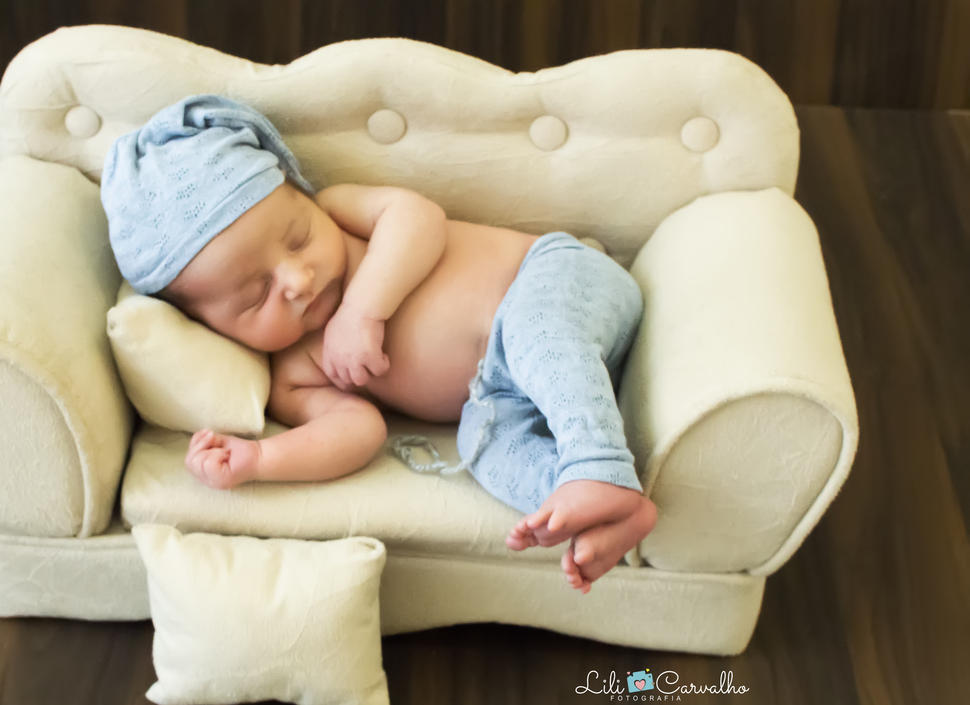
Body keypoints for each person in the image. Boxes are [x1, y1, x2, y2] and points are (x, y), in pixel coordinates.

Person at [101, 95, 657, 594]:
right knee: (485, 446)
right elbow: (358, 431)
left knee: (537, 334)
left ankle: (596, 467)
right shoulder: (293, 371)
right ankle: (596, 513)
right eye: (256, 294)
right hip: (499, 395)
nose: (296, 279)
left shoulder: (342, 213)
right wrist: (262, 459)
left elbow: (419, 218)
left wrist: (364, 309)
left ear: (300, 194)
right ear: (210, 325)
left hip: (555, 282)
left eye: (298, 237)